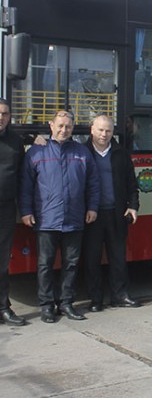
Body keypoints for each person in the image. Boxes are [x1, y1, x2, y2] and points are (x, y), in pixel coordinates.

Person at [20, 110, 100, 323]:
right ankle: (46, 305)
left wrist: (92, 207)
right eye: (60, 125)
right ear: (51, 125)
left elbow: (93, 183)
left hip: (75, 219)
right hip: (46, 219)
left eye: (68, 126)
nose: (64, 130)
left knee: (71, 264)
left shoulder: (82, 152)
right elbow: (26, 186)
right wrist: (26, 211)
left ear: (73, 128)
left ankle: (66, 303)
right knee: (45, 264)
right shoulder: (36, 153)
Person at [83, 114, 140, 312]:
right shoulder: (82, 152)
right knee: (92, 259)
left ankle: (120, 295)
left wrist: (133, 206)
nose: (104, 134)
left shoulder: (120, 153)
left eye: (108, 130)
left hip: (116, 214)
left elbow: (132, 184)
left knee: (118, 258)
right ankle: (95, 299)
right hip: (91, 216)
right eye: (100, 130)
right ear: (92, 129)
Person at [0, 99, 26, 326]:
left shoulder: (16, 142)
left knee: (2, 261)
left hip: (6, 208)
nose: (1, 117)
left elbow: (21, 177)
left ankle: (3, 307)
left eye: (5, 114)